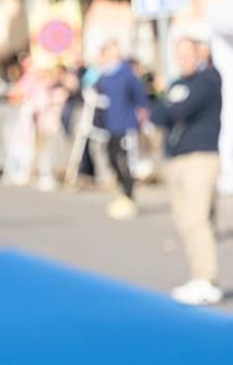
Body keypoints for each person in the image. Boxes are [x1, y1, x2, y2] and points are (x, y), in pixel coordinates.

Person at [151, 31, 225, 305]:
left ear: (200, 54)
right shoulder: (178, 82)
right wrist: (166, 106)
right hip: (176, 158)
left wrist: (168, 107)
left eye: (187, 54)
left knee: (197, 219)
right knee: (184, 222)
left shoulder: (207, 80)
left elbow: (176, 111)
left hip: (200, 157)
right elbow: (158, 112)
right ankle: (198, 275)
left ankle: (207, 278)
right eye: (178, 56)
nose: (182, 60)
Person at [94, 42, 150, 219]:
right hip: (110, 125)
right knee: (112, 158)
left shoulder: (126, 74)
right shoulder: (104, 75)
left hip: (125, 124)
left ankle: (129, 195)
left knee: (125, 160)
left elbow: (140, 96)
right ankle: (122, 191)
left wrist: (142, 113)